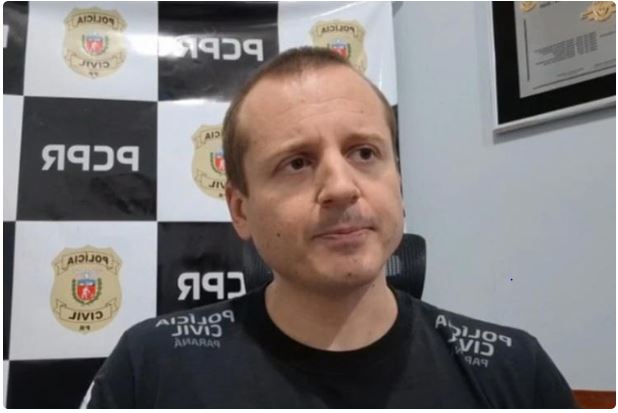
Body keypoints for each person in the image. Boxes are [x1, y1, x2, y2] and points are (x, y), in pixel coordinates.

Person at [83, 47, 576, 408]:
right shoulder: (152, 367)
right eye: (297, 163)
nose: (341, 187)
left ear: (399, 182)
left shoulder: (513, 369)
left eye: (364, 153)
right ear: (240, 210)